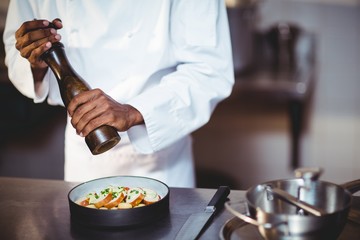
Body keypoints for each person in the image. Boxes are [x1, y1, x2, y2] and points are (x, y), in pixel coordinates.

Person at [3, 0, 234, 187]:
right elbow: (15, 47)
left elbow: (210, 69)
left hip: (159, 161)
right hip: (83, 154)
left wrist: (132, 112)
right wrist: (35, 61)